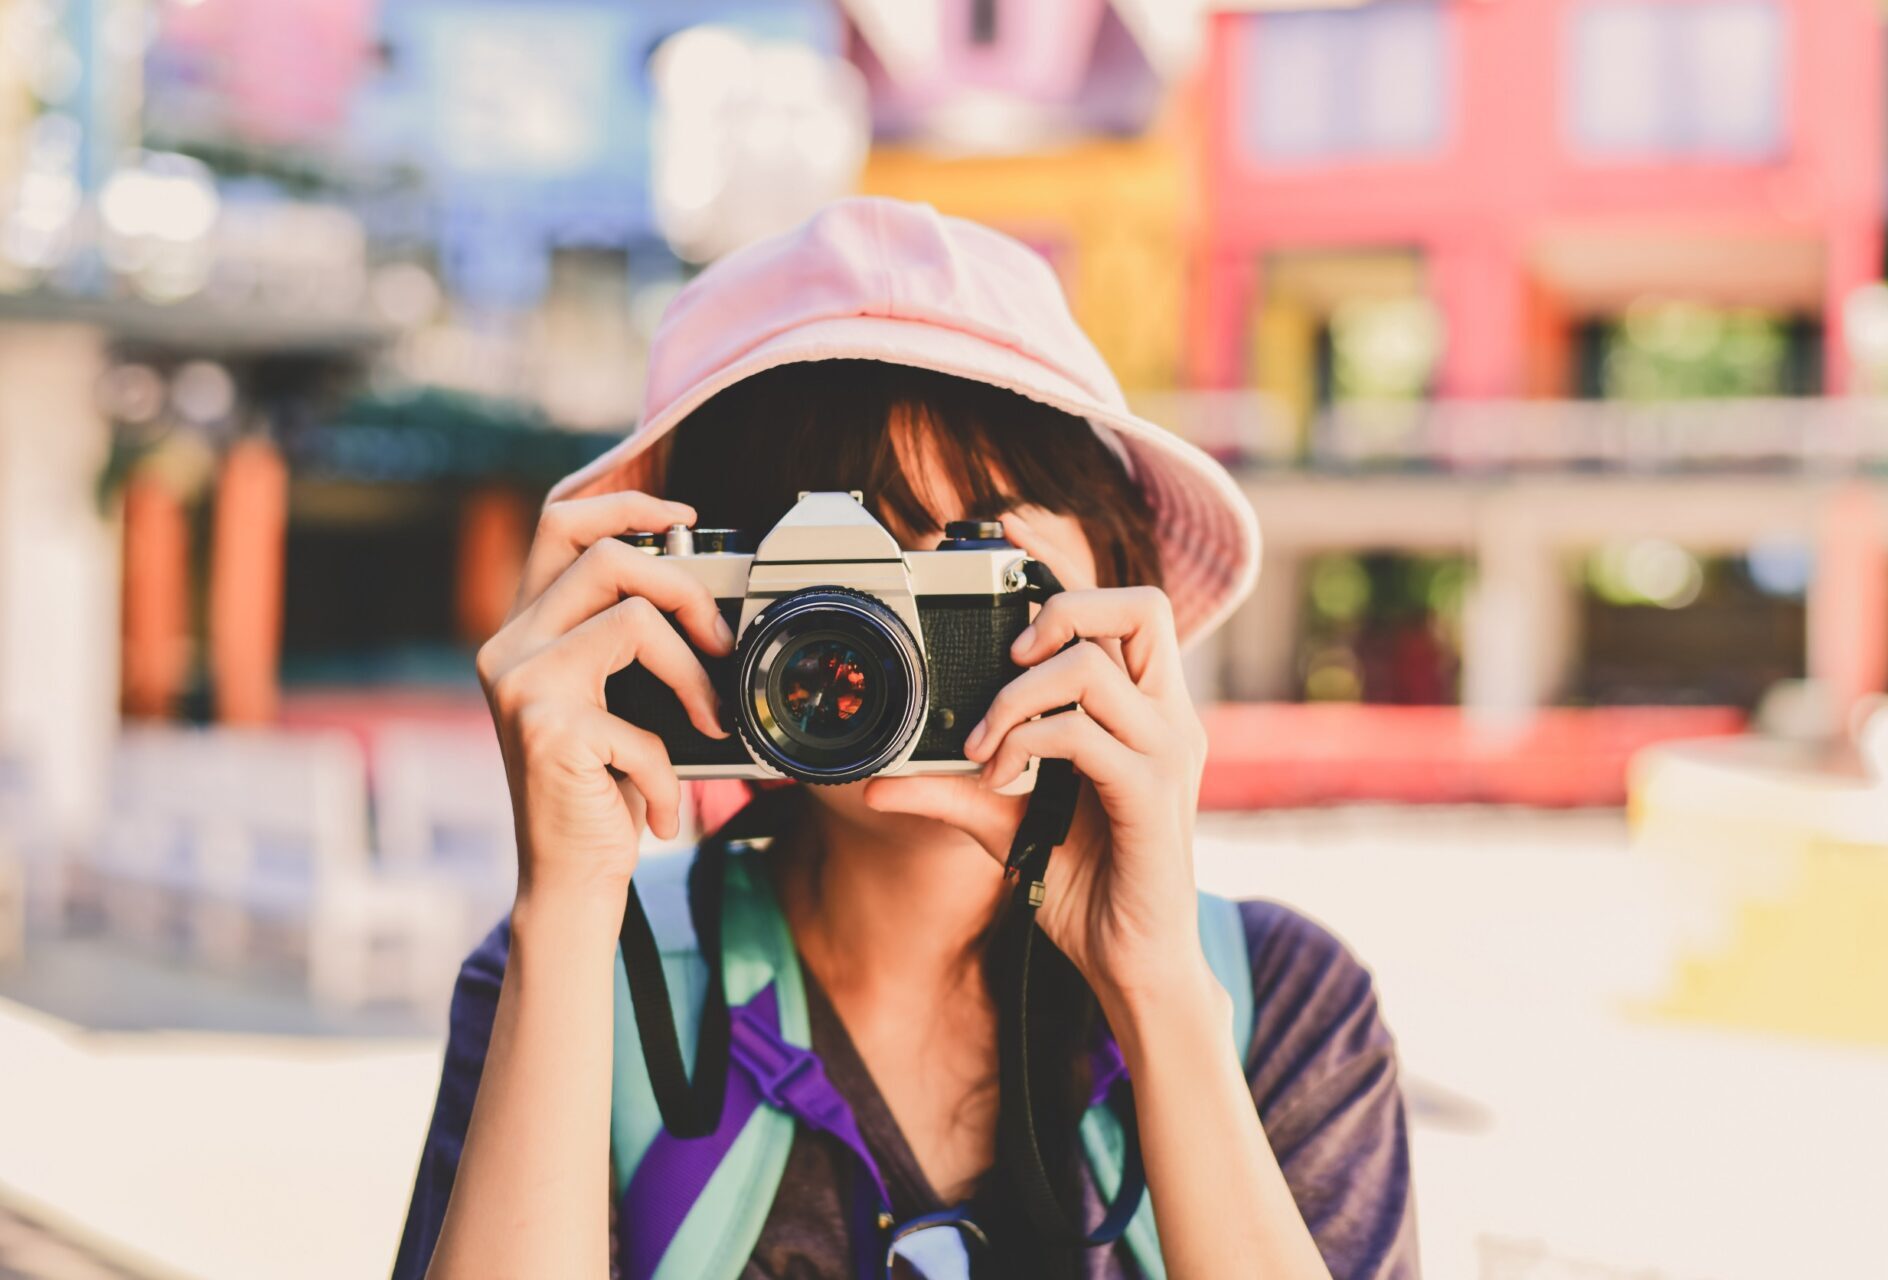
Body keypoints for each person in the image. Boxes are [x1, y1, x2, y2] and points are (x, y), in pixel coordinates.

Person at [393, 198, 1417, 1280]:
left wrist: (1157, 987)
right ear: (692, 605)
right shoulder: (569, 977)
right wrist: (566, 908)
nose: (876, 641)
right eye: (818, 570)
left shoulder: (1286, 1007)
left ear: (1113, 582)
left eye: (963, 552)